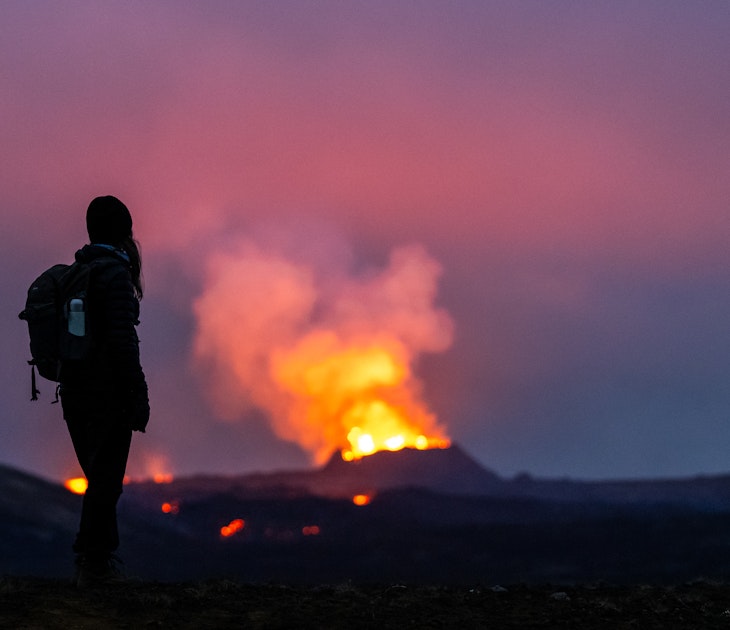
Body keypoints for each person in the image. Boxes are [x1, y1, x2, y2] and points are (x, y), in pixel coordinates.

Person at [59, 195, 150, 588]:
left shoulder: (78, 272)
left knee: (98, 478)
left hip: (74, 391)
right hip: (106, 394)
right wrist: (138, 392)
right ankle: (94, 566)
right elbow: (121, 341)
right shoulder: (114, 276)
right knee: (106, 481)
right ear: (122, 231)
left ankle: (93, 564)